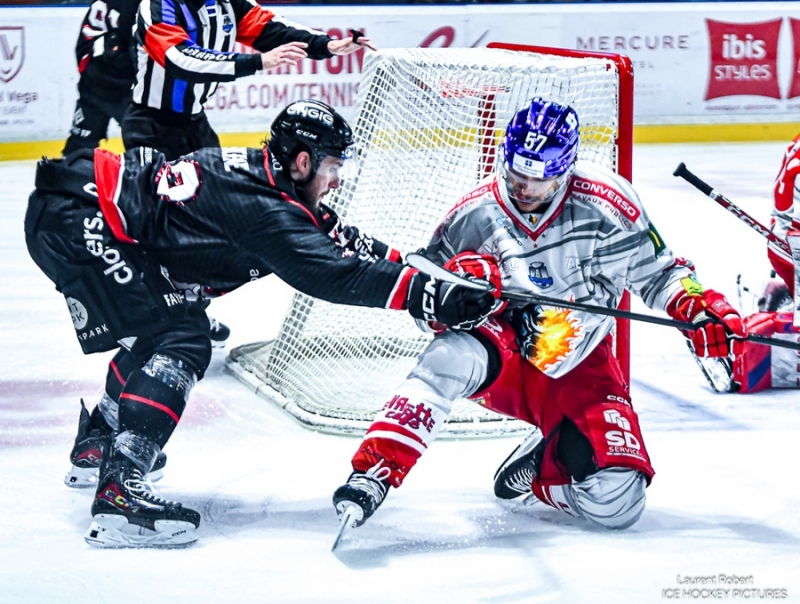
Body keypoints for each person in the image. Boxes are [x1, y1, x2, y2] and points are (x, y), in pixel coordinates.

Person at [25, 99, 496, 548]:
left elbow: (338, 239)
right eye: (333, 167)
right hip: (82, 221)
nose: (337, 179)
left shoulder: (265, 180)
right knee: (179, 340)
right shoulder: (265, 209)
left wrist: (422, 269)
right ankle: (120, 494)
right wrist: (427, 295)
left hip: (79, 207)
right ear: (305, 162)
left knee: (168, 322)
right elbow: (333, 273)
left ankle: (100, 441)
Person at [331, 97, 745, 533]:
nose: (523, 187)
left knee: (619, 505)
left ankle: (544, 466)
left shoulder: (609, 207)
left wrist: (696, 309)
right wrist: (456, 294)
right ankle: (374, 471)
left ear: (565, 169)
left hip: (581, 356)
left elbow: (662, 275)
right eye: (516, 172)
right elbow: (425, 303)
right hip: (502, 351)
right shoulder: (473, 214)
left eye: (538, 177)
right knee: (446, 358)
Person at [121, 0, 376, 160]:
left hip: (197, 127)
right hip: (150, 128)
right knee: (153, 220)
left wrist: (328, 45)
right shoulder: (157, 5)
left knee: (214, 213)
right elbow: (181, 60)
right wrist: (258, 62)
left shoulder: (228, 4)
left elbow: (274, 29)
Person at [62, 0, 139, 156]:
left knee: (79, 148)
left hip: (95, 87)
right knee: (148, 147)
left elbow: (82, 49)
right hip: (121, 92)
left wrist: (88, 77)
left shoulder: (103, 3)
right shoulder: (145, 6)